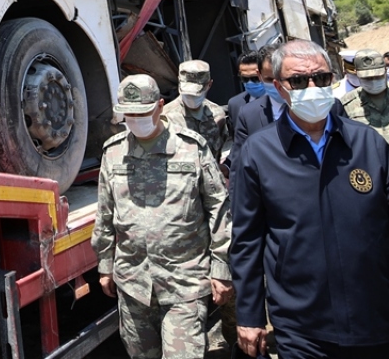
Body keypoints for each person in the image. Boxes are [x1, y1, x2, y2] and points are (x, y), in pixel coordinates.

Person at [231, 40, 389, 359]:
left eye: (320, 78)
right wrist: (250, 317)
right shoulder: (258, 151)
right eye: (298, 81)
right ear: (279, 87)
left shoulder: (367, 143)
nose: (312, 87)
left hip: (375, 316)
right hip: (301, 324)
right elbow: (248, 240)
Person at [93, 75, 233, 359]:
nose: (135, 119)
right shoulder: (113, 152)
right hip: (133, 281)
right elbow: (105, 212)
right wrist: (105, 265)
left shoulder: (191, 147)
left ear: (159, 106)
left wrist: (221, 268)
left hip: (185, 280)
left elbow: (219, 208)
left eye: (143, 113)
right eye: (129, 114)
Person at [162, 60, 230, 165]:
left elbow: (219, 151)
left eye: (197, 93)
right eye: (188, 93)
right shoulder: (165, 117)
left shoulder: (217, 114)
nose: (192, 97)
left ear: (209, 84)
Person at [226, 50, 267, 126]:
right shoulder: (235, 104)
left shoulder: (280, 100)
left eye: (255, 78)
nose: (250, 82)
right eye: (245, 79)